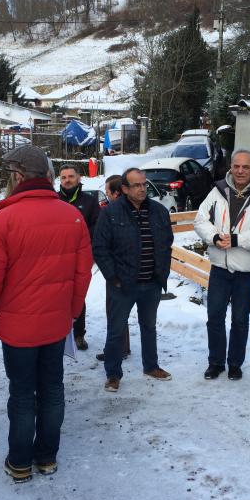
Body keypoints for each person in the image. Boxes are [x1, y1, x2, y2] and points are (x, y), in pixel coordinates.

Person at [0, 145, 92, 483]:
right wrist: (69, 312)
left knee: (23, 393)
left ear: (18, 176)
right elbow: (83, 273)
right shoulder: (72, 217)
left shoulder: (2, 222)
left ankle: (21, 462)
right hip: (55, 325)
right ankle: (46, 458)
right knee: (52, 389)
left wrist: (1, 306)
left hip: (18, 329)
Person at [194, 149, 250, 380]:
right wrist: (213, 236)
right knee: (214, 317)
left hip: (246, 270)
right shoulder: (217, 191)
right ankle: (215, 362)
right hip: (220, 267)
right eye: (237, 166)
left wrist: (237, 240)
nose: (240, 171)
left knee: (240, 320)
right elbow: (200, 220)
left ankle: (235, 364)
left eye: (246, 167)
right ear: (230, 166)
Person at [93, 168, 174, 393]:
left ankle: (151, 366)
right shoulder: (110, 213)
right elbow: (100, 249)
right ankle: (113, 374)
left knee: (148, 326)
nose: (142, 189)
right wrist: (114, 277)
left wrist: (162, 273)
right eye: (136, 185)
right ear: (125, 189)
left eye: (144, 184)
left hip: (152, 283)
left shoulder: (158, 211)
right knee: (116, 330)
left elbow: (167, 243)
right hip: (123, 285)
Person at [58, 164, 100, 351]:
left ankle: (79, 334)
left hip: (79, 258)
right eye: (63, 177)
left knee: (77, 296)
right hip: (56, 259)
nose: (67, 180)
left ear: (79, 178)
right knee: (56, 297)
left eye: (71, 176)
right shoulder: (54, 200)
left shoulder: (90, 201)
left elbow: (97, 227)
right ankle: (56, 334)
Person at [95, 175, 131, 362]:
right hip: (122, 270)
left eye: (107, 191)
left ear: (116, 193)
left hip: (117, 271)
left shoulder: (112, 212)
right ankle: (123, 347)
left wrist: (110, 270)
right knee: (119, 311)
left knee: (115, 311)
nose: (106, 195)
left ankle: (118, 350)